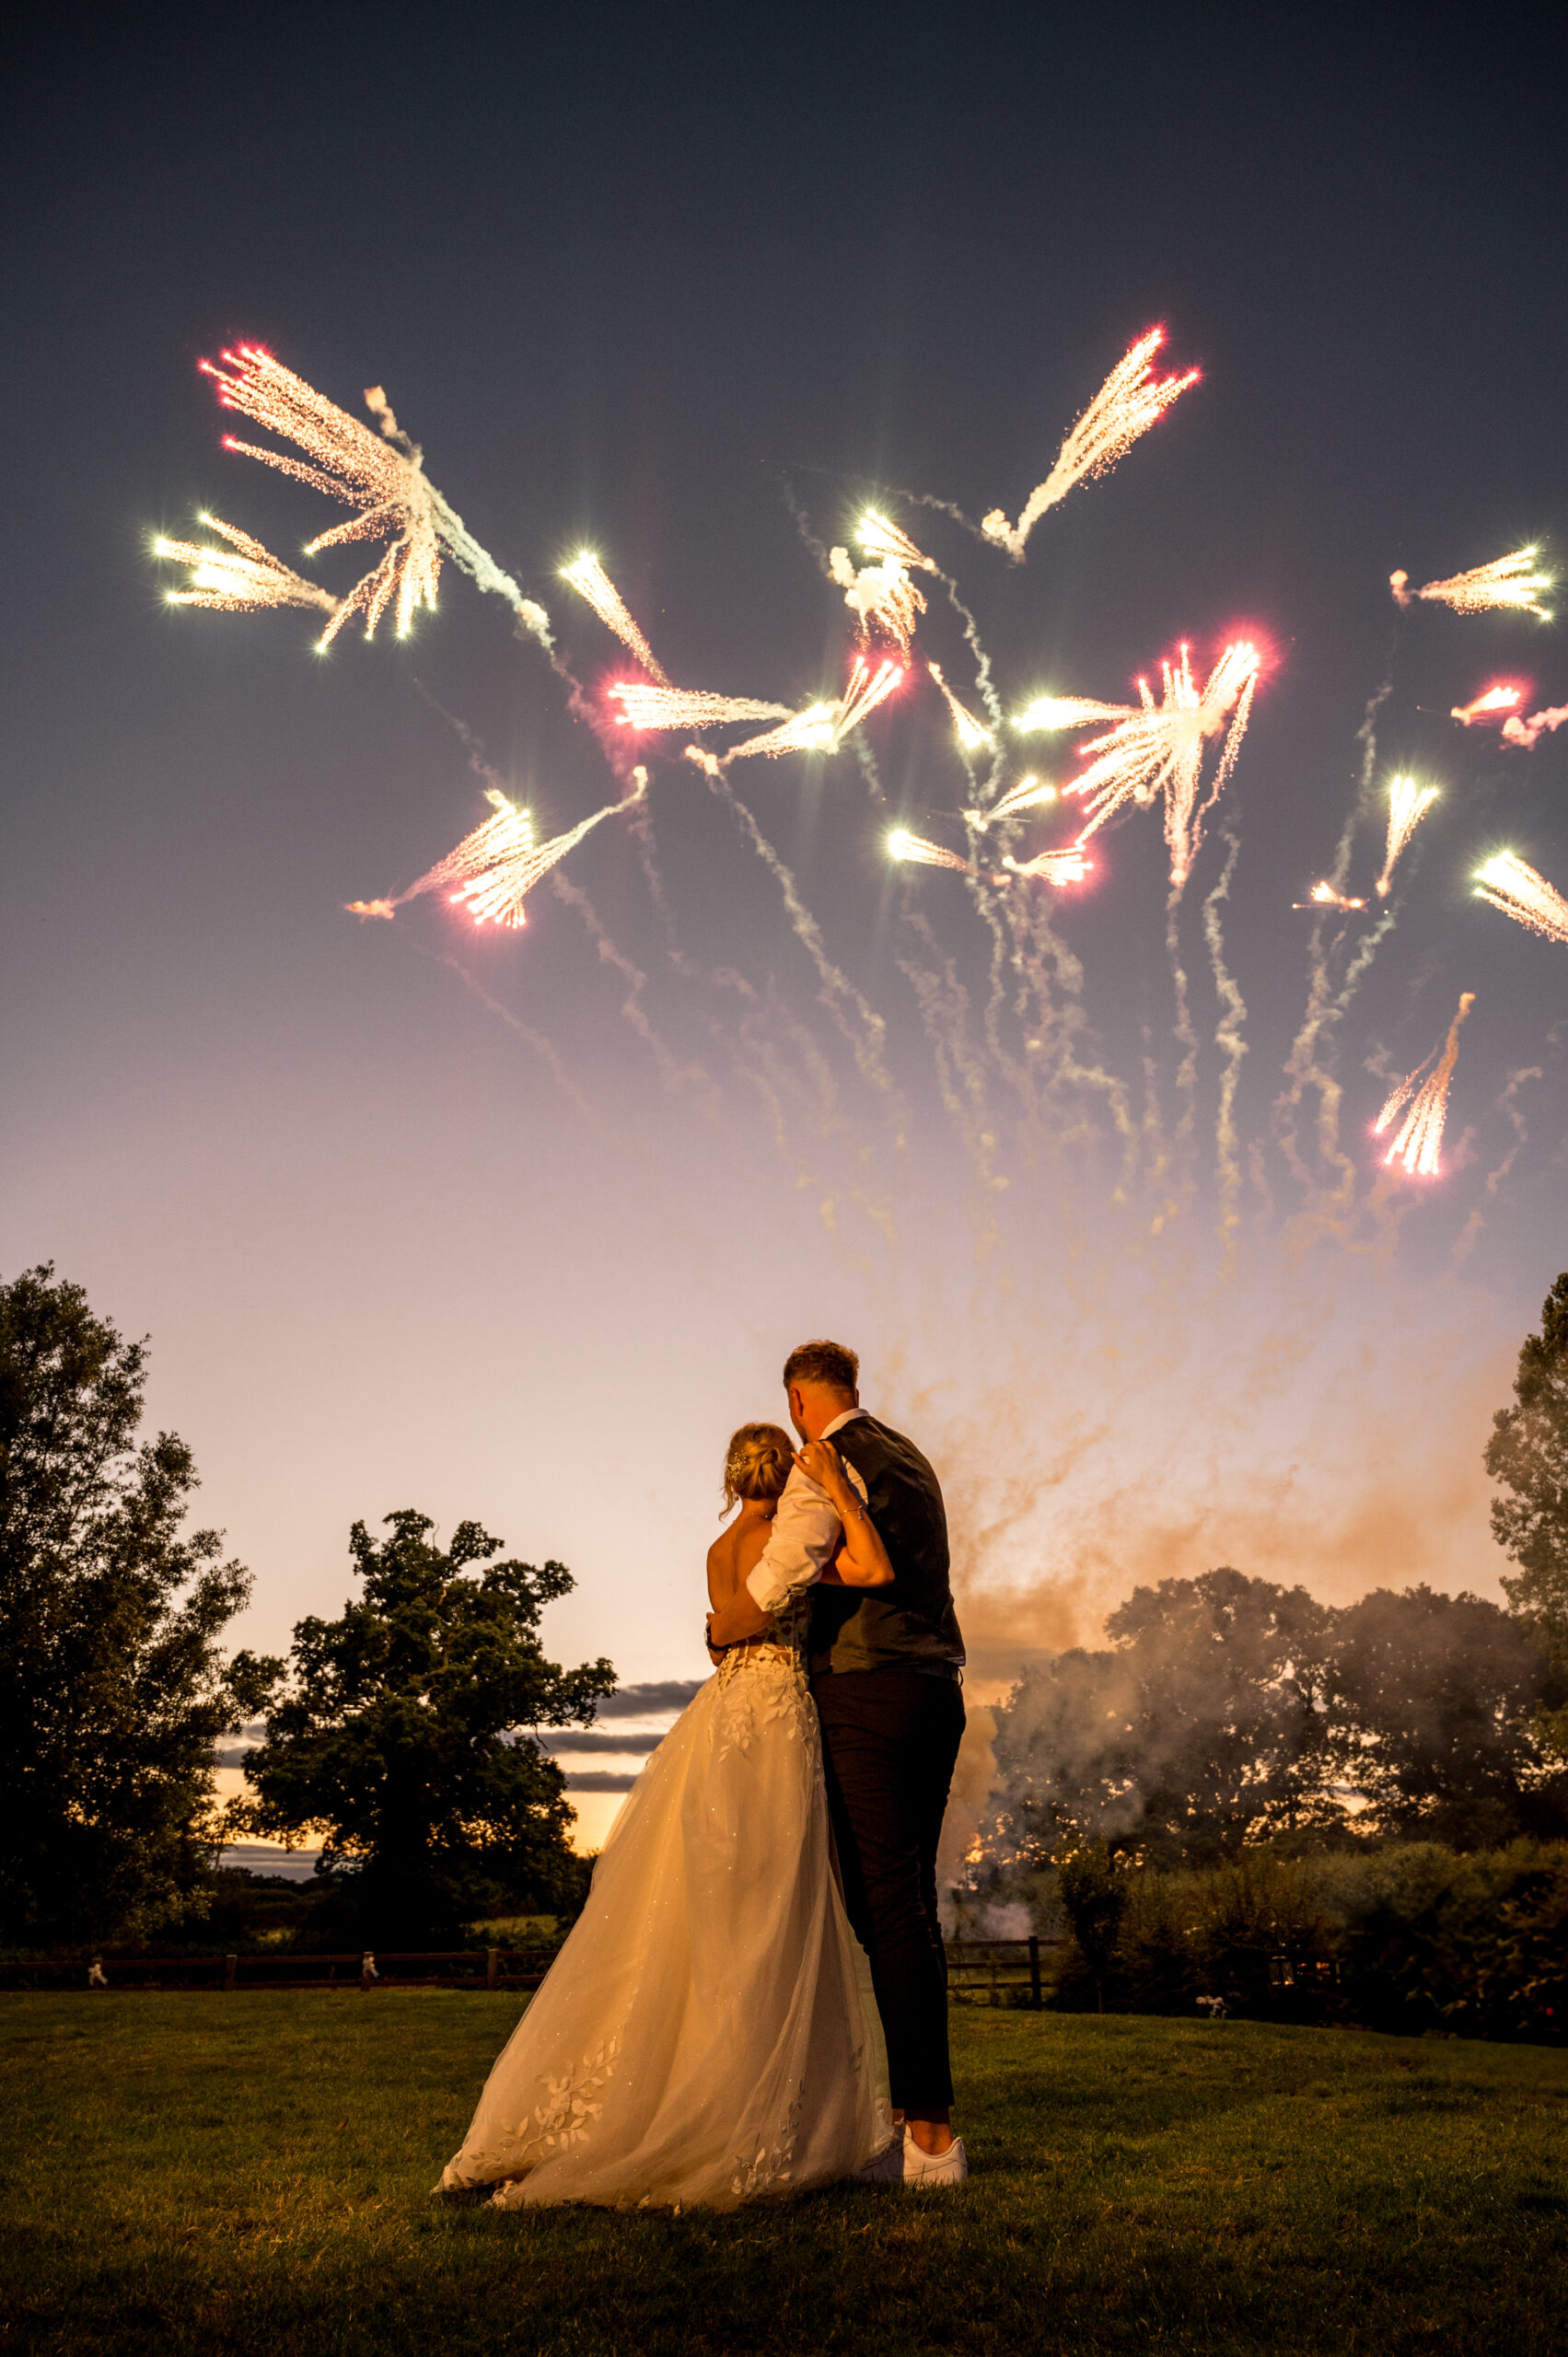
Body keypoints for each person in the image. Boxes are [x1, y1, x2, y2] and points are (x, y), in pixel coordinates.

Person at [438, 1421, 895, 2210]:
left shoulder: (716, 1549)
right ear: (783, 1473)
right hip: (777, 1705)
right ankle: (744, 2107)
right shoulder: (792, 1536)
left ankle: (690, 2081)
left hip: (716, 1713)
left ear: (729, 1478)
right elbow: (797, 1604)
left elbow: (716, 1645)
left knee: (695, 1892)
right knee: (766, 1899)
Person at [706, 1340, 969, 2188]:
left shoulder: (820, 1465)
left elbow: (780, 1585)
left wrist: (718, 1628)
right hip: (935, 1691)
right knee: (899, 1906)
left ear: (794, 1401)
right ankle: (909, 2118)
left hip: (866, 1691)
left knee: (886, 1909)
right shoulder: (909, 1456)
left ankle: (931, 2141)